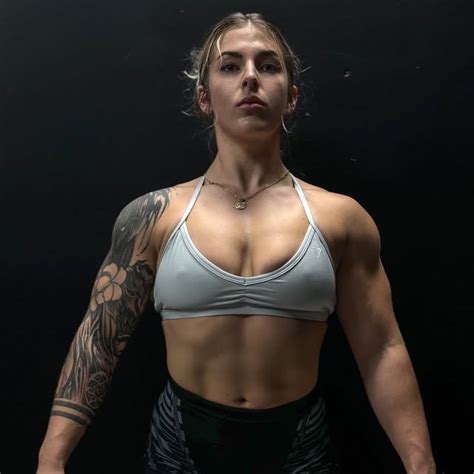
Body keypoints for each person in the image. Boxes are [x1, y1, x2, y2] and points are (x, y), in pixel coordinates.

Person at [37, 11, 436, 474]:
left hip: (298, 448)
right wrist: (51, 459)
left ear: (291, 96)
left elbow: (381, 349)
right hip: (180, 447)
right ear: (204, 98)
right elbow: (99, 341)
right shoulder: (155, 216)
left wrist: (420, 463)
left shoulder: (340, 219)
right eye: (230, 66)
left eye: (268, 65)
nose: (250, 77)